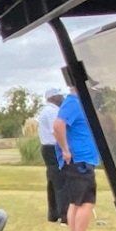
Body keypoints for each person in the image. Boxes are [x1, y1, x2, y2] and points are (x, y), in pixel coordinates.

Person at [52, 85, 101, 231]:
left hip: (81, 160)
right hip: (80, 161)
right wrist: (66, 150)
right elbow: (58, 126)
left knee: (76, 202)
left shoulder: (76, 103)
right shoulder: (73, 102)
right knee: (86, 203)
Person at [36, 87, 65, 224]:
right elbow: (57, 131)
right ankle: (64, 214)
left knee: (53, 180)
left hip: (49, 148)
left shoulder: (48, 111)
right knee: (60, 180)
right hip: (53, 147)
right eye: (59, 96)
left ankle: (53, 213)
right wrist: (66, 148)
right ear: (53, 97)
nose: (62, 98)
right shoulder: (51, 112)